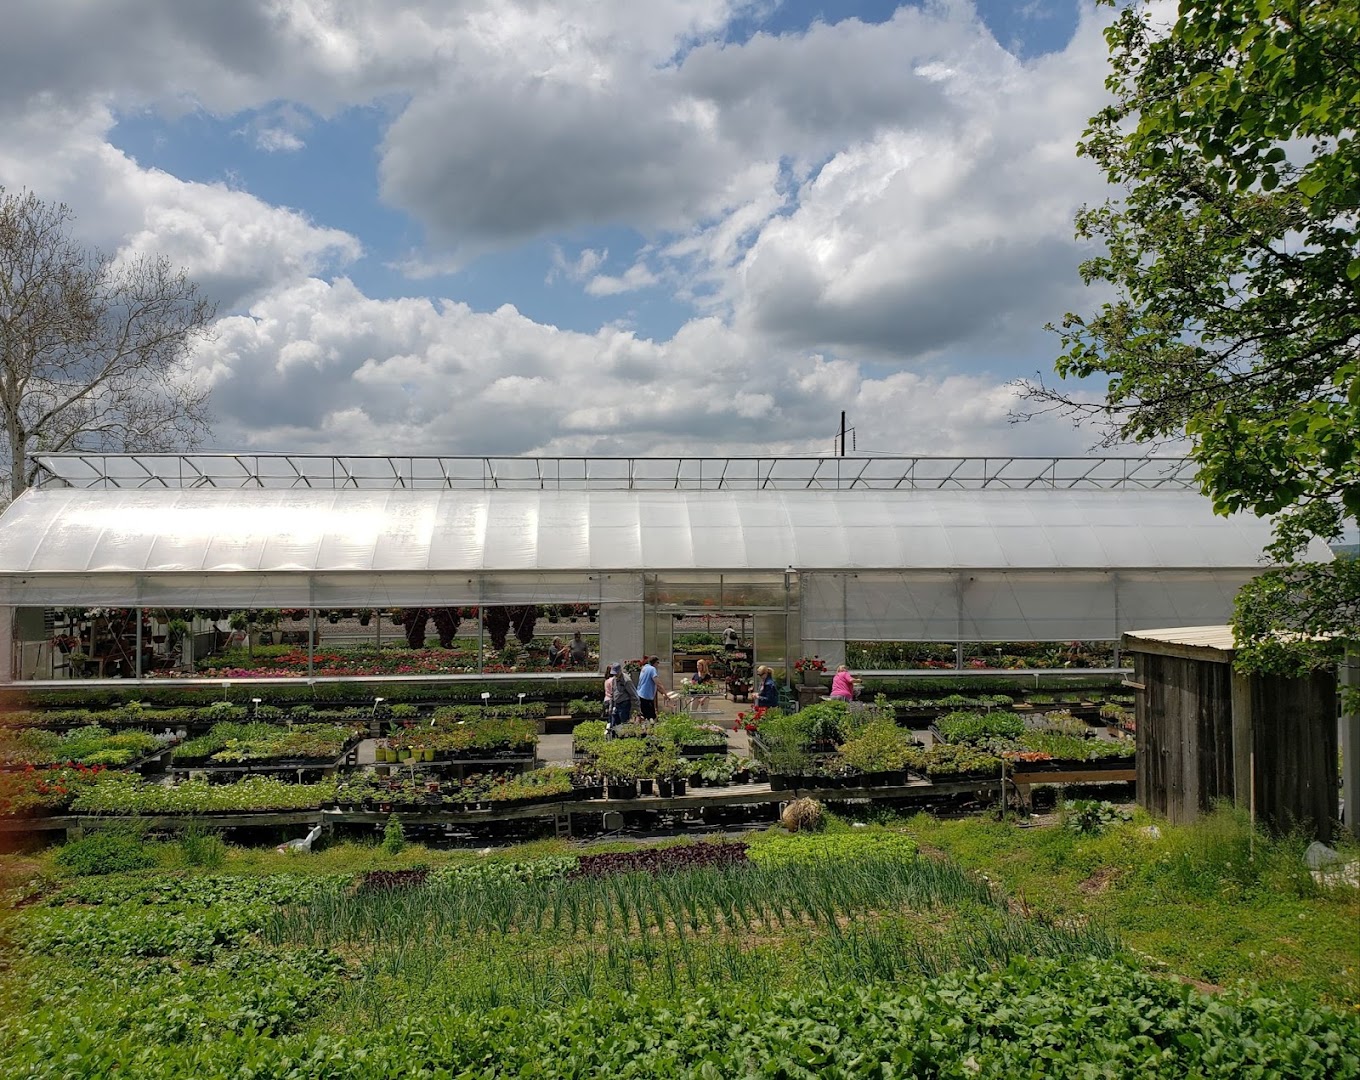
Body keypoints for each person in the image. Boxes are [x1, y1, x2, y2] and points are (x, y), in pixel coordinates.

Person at [636, 655, 667, 723]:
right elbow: (658, 683)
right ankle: (652, 730)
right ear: (655, 663)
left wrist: (662, 693)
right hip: (646, 696)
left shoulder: (644, 668)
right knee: (652, 717)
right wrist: (665, 694)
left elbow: (653, 684)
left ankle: (640, 729)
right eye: (658, 663)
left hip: (640, 694)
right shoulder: (652, 669)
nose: (658, 665)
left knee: (642, 715)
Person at [610, 661, 640, 726]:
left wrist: (637, 710)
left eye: (616, 673)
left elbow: (634, 695)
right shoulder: (614, 679)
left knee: (624, 723)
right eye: (614, 674)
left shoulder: (626, 680)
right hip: (616, 704)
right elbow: (613, 692)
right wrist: (611, 706)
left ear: (620, 671)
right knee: (614, 724)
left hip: (624, 705)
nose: (615, 675)